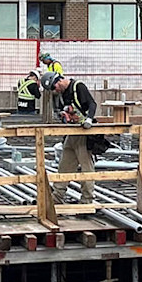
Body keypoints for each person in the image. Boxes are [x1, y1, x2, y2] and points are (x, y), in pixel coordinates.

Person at [50, 74, 99, 204]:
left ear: (59, 80)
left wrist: (89, 119)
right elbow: (64, 111)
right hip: (71, 133)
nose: (55, 90)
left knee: (86, 168)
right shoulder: (63, 94)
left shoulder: (78, 87)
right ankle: (57, 197)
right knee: (64, 166)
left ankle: (87, 201)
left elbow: (92, 104)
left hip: (83, 134)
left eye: (54, 86)